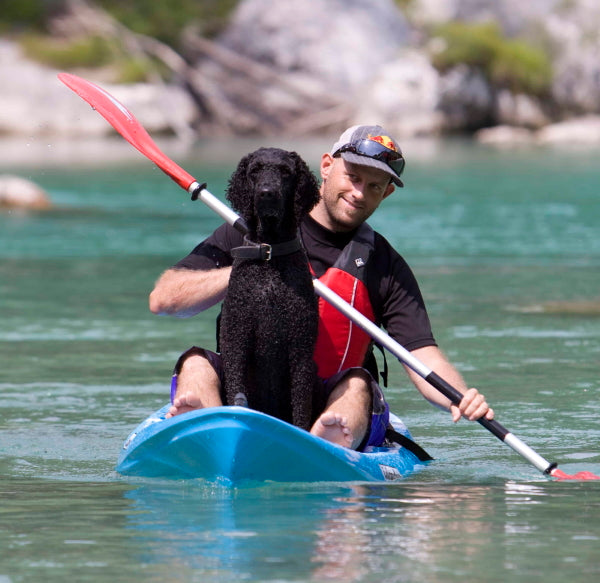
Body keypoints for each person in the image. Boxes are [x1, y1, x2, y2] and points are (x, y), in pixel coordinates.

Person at [149, 124, 494, 450]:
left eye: (374, 186)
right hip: (246, 394)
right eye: (353, 177)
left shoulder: (385, 265)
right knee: (195, 362)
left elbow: (420, 354)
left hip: (325, 396)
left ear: (386, 193)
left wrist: (459, 396)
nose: (359, 193)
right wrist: (248, 265)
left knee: (358, 384)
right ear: (327, 166)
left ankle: (319, 444)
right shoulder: (249, 230)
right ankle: (212, 437)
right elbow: (164, 299)